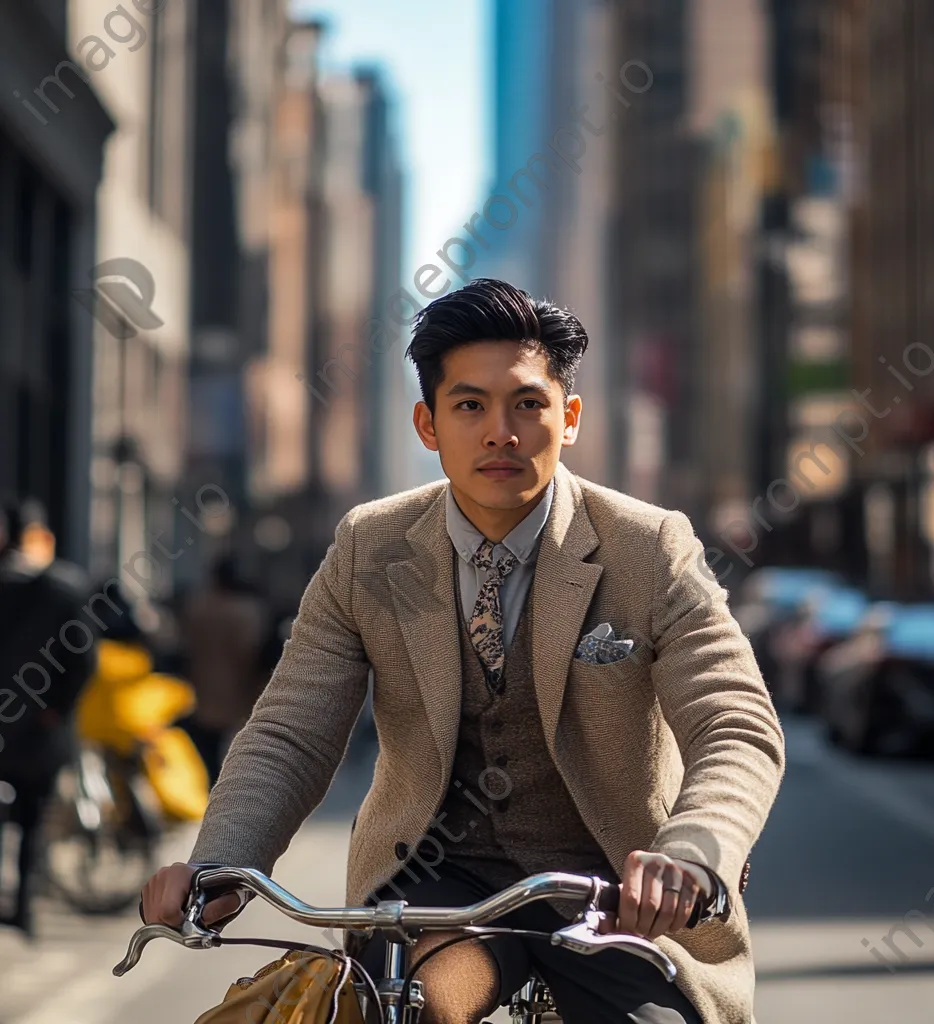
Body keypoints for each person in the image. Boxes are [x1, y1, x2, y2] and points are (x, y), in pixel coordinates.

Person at [141, 279, 786, 1024]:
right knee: (403, 1011)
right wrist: (220, 861)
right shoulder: (368, 547)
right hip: (438, 881)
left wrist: (693, 847)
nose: (500, 433)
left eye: (528, 405)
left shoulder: (650, 546)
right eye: (470, 406)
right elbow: (292, 731)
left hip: (613, 892)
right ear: (428, 423)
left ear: (568, 418)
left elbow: (734, 722)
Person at [0, 499, 96, 939]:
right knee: (32, 819)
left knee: (27, 817)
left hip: (28, 725)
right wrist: (54, 708)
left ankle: (20, 905)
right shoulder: (64, 587)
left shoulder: (54, 588)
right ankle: (23, 906)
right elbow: (82, 662)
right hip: (38, 727)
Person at [177, 554, 269, 786]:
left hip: (201, 689)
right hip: (240, 691)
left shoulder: (197, 608)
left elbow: (183, 646)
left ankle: (211, 789)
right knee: (236, 749)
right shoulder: (248, 611)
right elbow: (253, 652)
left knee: (207, 749)